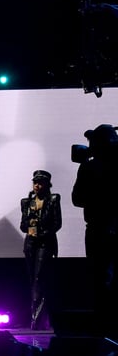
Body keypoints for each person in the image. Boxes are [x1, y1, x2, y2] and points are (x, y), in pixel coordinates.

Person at [72, 123, 118, 329]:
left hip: (98, 230)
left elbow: (77, 198)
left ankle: (103, 326)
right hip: (103, 228)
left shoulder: (89, 166)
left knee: (99, 279)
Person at [19, 169, 62, 330]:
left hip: (45, 243)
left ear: (47, 184)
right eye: (35, 182)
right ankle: (35, 317)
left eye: (40, 182)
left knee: (39, 278)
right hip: (30, 243)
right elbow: (22, 225)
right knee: (32, 279)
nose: (37, 185)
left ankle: (38, 318)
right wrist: (29, 224)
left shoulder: (53, 199)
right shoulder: (26, 202)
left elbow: (57, 223)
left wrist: (42, 233)